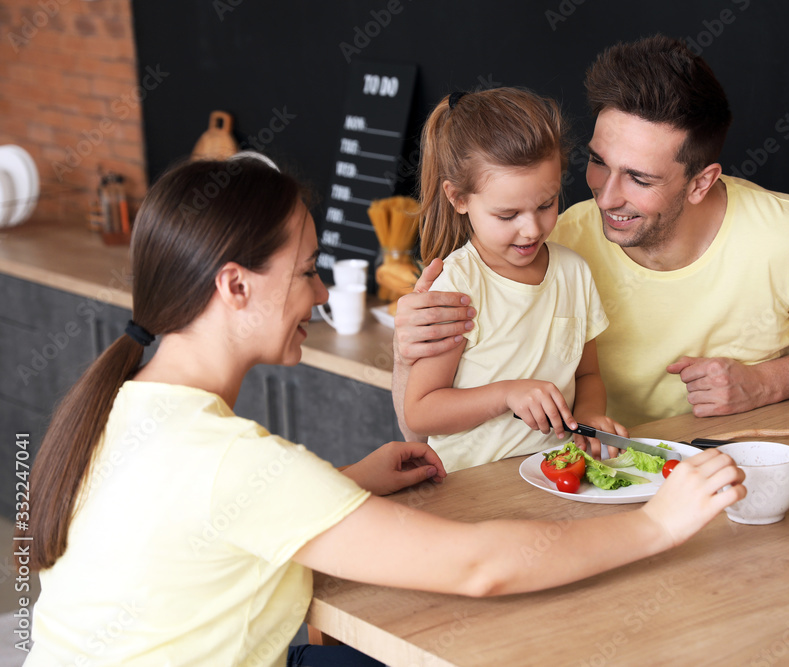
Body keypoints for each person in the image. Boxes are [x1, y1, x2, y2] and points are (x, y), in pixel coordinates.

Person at [22, 156, 746, 667]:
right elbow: (479, 567)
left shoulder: (122, 404)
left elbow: (199, 520)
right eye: (307, 270)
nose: (318, 294)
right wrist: (658, 522)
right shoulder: (231, 460)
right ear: (235, 285)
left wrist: (347, 482)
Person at [392, 35, 789, 436]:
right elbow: (418, 421)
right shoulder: (558, 240)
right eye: (598, 163)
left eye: (639, 179)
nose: (605, 196)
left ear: (700, 182)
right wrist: (403, 354)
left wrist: (766, 382)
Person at [403, 88, 623, 471]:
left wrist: (589, 422)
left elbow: (588, 375)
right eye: (507, 216)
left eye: (546, 204)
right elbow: (421, 412)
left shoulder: (574, 272)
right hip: (470, 492)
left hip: (552, 481)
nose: (531, 229)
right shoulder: (458, 286)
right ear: (458, 199)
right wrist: (506, 394)